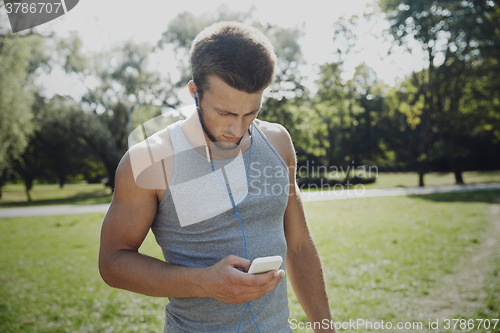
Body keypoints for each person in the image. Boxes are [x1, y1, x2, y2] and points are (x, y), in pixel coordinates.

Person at [99, 21, 335, 332]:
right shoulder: (149, 161)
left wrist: (325, 328)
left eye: (250, 112)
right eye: (225, 113)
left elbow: (300, 245)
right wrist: (203, 283)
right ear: (194, 92)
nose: (238, 129)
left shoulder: (278, 143)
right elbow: (113, 262)